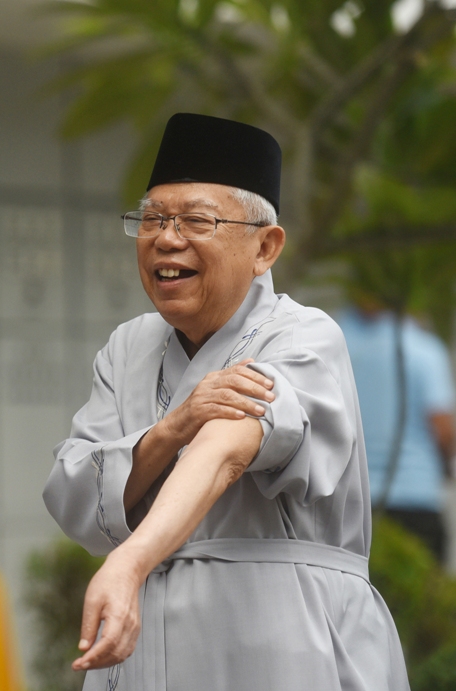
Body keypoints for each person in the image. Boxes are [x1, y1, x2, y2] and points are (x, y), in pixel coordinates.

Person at [43, 113, 408, 690]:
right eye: (152, 219)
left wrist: (132, 560)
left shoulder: (303, 335)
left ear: (265, 247)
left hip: (282, 635)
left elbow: (229, 449)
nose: (166, 237)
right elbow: (72, 491)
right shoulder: (126, 347)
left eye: (195, 220)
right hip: (143, 638)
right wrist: (171, 428)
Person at [338, 300, 456, 562]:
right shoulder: (424, 350)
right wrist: (447, 464)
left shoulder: (338, 343)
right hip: (417, 499)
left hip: (354, 502)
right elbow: (442, 428)